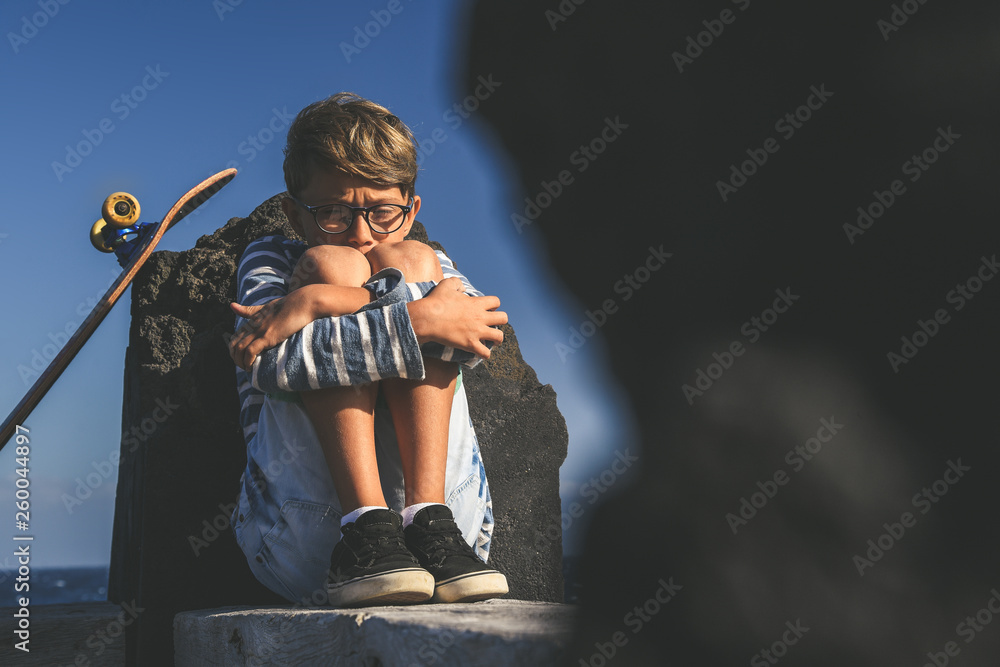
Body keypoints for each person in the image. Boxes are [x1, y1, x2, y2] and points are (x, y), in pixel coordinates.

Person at [226, 92, 509, 608]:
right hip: (307, 533)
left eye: (382, 212)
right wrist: (417, 317)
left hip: (450, 547)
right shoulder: (270, 259)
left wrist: (319, 304)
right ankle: (366, 526)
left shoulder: (428, 258)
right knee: (332, 264)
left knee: (412, 261)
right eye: (332, 213)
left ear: (410, 208)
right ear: (293, 213)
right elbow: (269, 364)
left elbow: (477, 336)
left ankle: (427, 517)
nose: (360, 234)